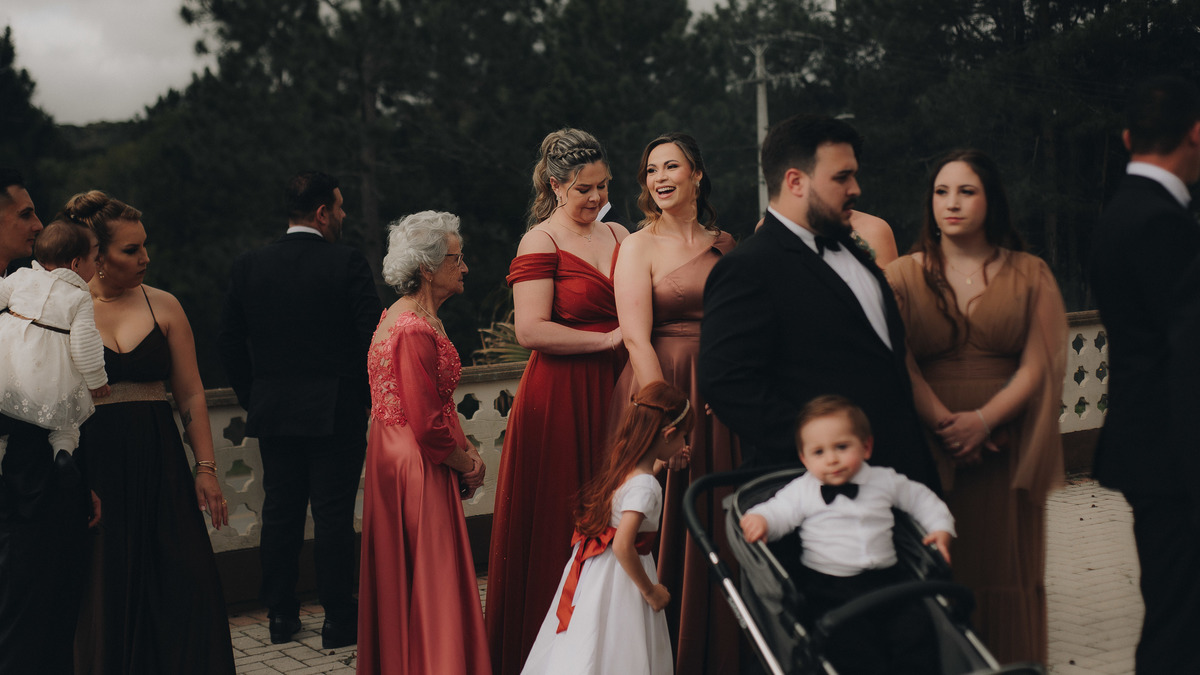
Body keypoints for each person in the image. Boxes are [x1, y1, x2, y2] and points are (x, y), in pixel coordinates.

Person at [884, 149, 1067, 664]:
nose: (952, 203)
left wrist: (984, 422)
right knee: (942, 570)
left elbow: (1040, 364)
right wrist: (947, 426)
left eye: (967, 191)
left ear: (991, 200)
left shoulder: (1030, 273)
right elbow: (898, 362)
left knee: (1005, 570)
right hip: (930, 448)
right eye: (941, 192)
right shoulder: (900, 276)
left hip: (1005, 448)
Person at [699, 114, 939, 491]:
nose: (855, 188)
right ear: (795, 181)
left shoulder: (857, 254)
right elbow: (728, 384)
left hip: (902, 479)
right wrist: (826, 453)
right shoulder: (748, 268)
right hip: (820, 496)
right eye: (842, 177)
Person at [67, 190, 235, 674]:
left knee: (184, 579)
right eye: (131, 249)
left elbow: (191, 393)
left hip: (160, 463)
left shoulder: (164, 305)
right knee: (105, 587)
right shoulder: (66, 311)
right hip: (96, 468)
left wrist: (206, 468)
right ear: (98, 257)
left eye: (145, 245)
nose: (145, 257)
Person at [486, 128, 629, 675]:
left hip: (618, 387)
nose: (596, 197)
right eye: (583, 189)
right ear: (555, 185)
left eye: (602, 185)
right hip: (562, 395)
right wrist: (607, 340)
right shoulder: (539, 241)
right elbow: (530, 329)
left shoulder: (619, 232)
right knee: (562, 515)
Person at [217, 171, 382, 648]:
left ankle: (281, 616)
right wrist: (362, 396)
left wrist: (254, 396)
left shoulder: (249, 265)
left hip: (275, 410)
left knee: (280, 514)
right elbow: (373, 337)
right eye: (340, 207)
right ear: (322, 213)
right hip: (336, 410)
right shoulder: (347, 262)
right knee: (333, 516)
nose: (344, 215)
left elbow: (228, 341)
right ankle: (338, 620)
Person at [611, 132, 739, 673]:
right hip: (659, 389)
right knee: (659, 512)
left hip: (718, 390)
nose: (659, 178)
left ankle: (718, 646)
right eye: (651, 170)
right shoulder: (638, 245)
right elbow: (635, 337)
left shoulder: (725, 244)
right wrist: (668, 415)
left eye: (671, 167)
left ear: (697, 174)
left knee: (717, 506)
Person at [1090, 75, 1200, 674]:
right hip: (1175, 458)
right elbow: (1186, 362)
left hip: (1151, 450)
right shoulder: (1162, 222)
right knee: (1179, 628)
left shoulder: (1120, 213)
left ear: (1129, 137)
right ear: (1196, 134)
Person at [356, 211, 489, 674]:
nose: (465, 267)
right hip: (417, 464)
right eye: (457, 258)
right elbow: (428, 425)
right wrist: (466, 464)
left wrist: (466, 445)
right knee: (433, 574)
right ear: (429, 268)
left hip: (394, 456)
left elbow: (435, 404)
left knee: (410, 577)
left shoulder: (401, 316)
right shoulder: (413, 327)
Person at [740, 395, 954, 674]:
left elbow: (921, 499)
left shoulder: (884, 480)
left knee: (915, 631)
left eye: (841, 447)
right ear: (804, 458)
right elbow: (780, 510)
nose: (831, 459)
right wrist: (762, 519)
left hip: (888, 580)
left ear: (866, 447)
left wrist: (940, 527)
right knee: (851, 646)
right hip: (829, 586)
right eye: (819, 452)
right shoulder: (803, 489)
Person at [522, 381, 693, 675]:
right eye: (683, 436)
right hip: (624, 576)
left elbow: (636, 487)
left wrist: (661, 464)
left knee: (591, 640)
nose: (684, 443)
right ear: (668, 435)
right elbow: (624, 545)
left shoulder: (624, 466)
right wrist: (651, 591)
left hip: (598, 571)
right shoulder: (647, 486)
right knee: (622, 644)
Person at [0, 169, 99, 675]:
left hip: (49, 483)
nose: (39, 224)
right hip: (15, 488)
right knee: (19, 623)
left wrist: (80, 481)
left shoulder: (28, 288)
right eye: (25, 213)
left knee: (54, 614)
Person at [0, 221, 110, 467]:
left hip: (6, 366)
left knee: (2, 422)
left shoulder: (22, 276)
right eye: (94, 260)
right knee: (67, 419)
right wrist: (97, 381)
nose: (98, 265)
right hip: (49, 376)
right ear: (76, 264)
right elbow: (85, 344)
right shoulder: (79, 297)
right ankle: (63, 452)